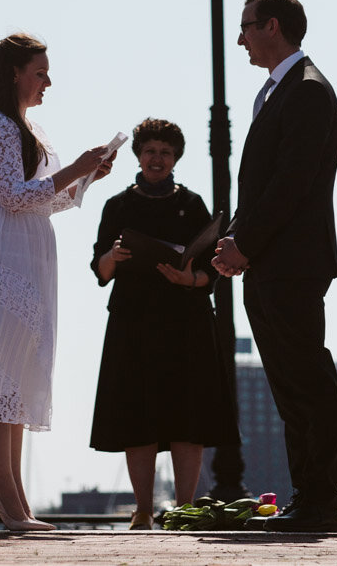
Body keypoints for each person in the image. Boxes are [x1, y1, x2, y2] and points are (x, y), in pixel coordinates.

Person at [0, 32, 114, 533]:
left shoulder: (26, 127)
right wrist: (75, 171)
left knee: (16, 371)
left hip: (25, 248)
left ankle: (11, 493)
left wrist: (87, 177)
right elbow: (15, 196)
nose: (46, 81)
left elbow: (45, 199)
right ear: (14, 73)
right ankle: (6, 492)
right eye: (39, 71)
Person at [213, 0, 337, 533]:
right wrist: (237, 239)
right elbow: (264, 187)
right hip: (271, 262)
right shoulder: (277, 92)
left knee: (307, 380)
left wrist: (245, 243)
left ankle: (319, 503)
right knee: (290, 387)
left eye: (245, 26)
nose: (239, 38)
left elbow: (293, 184)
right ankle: (306, 500)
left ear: (272, 26)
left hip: (291, 263)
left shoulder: (307, 91)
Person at [89, 118, 239, 530]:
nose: (157, 159)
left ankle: (185, 509)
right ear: (139, 154)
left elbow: (215, 266)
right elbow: (99, 269)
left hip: (186, 320)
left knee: (188, 418)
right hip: (133, 321)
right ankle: (141, 511)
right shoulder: (117, 206)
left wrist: (189, 278)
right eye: (151, 150)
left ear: (176, 159)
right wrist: (113, 259)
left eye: (166, 152)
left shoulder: (192, 205)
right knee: (138, 416)